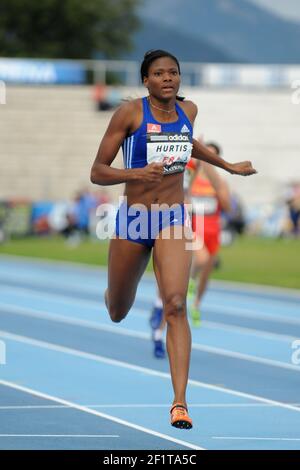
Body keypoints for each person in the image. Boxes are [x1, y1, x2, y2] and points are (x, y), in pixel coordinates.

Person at [90, 49, 256, 429]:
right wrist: (135, 175)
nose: (167, 78)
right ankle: (112, 291)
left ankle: (179, 403)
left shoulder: (189, 111)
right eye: (159, 73)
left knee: (176, 305)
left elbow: (188, 142)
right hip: (134, 220)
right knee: (117, 310)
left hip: (173, 220)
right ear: (146, 80)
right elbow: (97, 171)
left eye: (173, 73)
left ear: (180, 79)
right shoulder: (129, 113)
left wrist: (228, 166)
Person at [187, 142, 231, 326]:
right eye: (205, 154)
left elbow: (228, 208)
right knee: (201, 258)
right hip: (195, 227)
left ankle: (196, 305)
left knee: (206, 274)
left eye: (211, 156)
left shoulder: (220, 182)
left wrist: (220, 193)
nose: (207, 160)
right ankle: (189, 281)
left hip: (213, 230)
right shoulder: (192, 178)